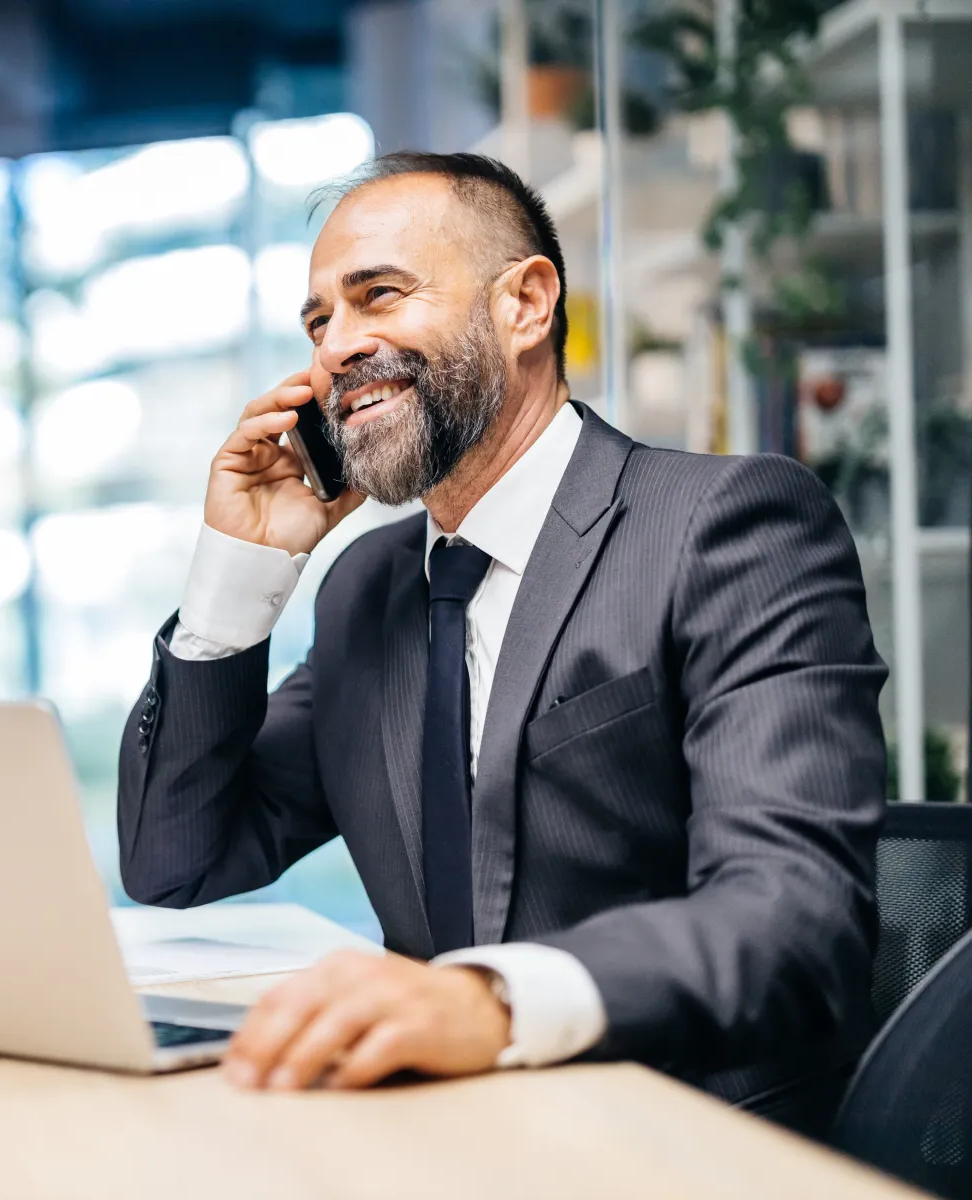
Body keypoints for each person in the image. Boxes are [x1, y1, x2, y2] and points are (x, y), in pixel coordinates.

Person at [117, 152, 886, 1134]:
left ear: (526, 304)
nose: (335, 350)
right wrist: (236, 581)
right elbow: (177, 859)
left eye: (377, 296)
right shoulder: (369, 590)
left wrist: (486, 1000)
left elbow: (796, 919)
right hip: (440, 1133)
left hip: (681, 1133)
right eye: (318, 322)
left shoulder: (728, 527)